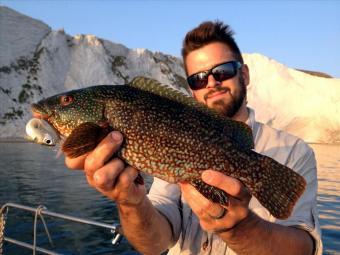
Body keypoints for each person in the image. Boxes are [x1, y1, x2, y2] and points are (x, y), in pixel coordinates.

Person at [65, 21, 322, 255]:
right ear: (191, 89)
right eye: (198, 78)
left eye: (222, 71)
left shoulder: (294, 151)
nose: (211, 82)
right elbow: (154, 244)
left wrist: (239, 228)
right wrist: (130, 202)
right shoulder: (175, 135)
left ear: (244, 74)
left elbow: (304, 249)